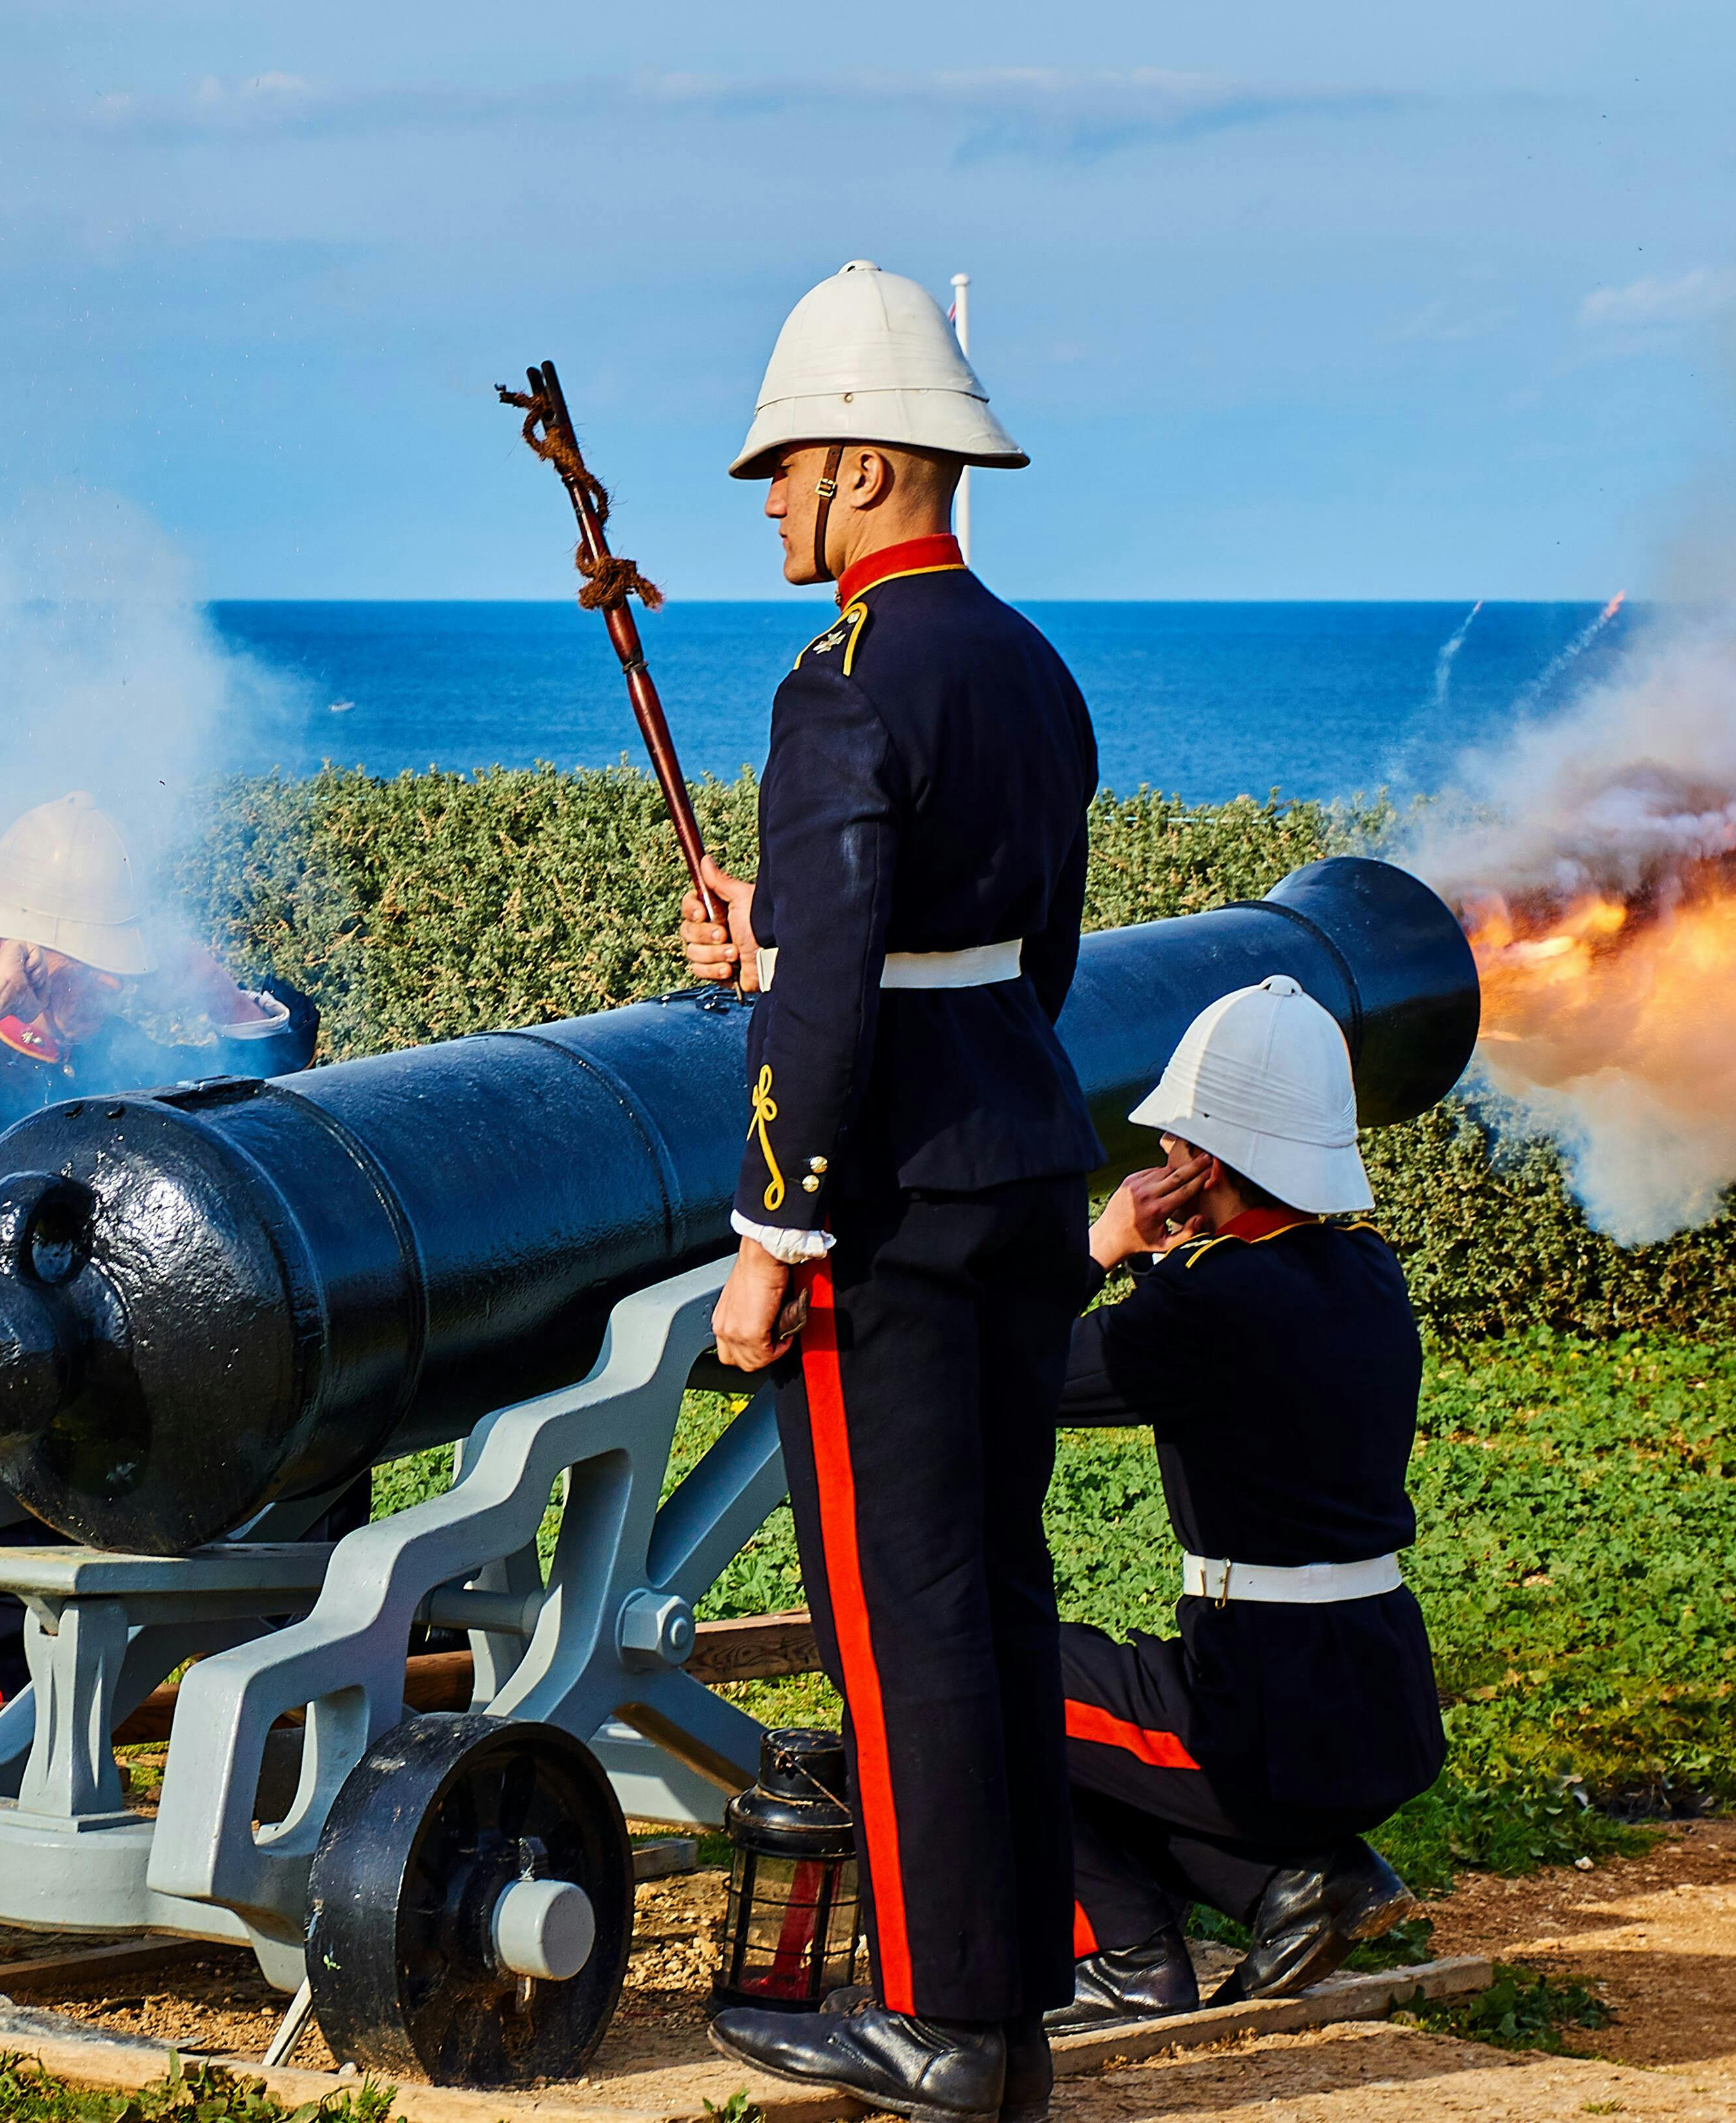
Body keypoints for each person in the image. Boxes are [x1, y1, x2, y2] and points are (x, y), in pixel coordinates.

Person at [680, 260, 1101, 2123]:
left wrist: (774, 1233)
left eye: (781, 467)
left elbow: (840, 992)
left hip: (890, 1208)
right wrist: (776, 933)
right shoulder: (1027, 663)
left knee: (895, 1612)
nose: (770, 499)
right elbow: (1031, 950)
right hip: (1021, 1152)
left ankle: (935, 2018)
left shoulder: (839, 682)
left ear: (860, 466)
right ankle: (1004, 2017)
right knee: (995, 1588)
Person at [0, 789, 328, 1702]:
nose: (119, 986)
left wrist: (218, 993)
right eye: (96, 964)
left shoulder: (124, 1058)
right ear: (27, 954)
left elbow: (262, 1094)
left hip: (112, 1392)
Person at [1042, 977, 1442, 2031]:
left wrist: (1102, 1246)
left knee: (982, 1685)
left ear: (1204, 1162)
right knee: (1106, 1727)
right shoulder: (1366, 1269)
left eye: (1174, 1142)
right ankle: (1299, 1883)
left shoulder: (1205, 1301)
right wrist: (1173, 1270)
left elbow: (1006, 1373)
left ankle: (1123, 1955)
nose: (1160, 1155)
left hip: (1266, 1717)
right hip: (1376, 1695)